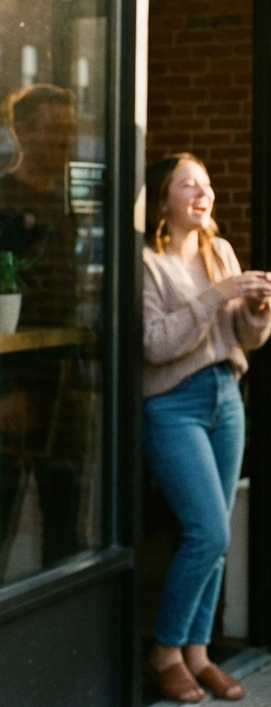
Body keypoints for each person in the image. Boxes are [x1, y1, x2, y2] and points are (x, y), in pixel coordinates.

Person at [143, 153, 271, 703]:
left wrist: (257, 309)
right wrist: (218, 295)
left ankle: (198, 654)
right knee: (209, 532)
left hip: (227, 397)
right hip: (173, 404)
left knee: (217, 536)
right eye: (188, 184)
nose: (203, 192)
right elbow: (155, 344)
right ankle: (165, 650)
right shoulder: (146, 262)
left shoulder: (218, 250)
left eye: (207, 182)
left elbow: (246, 338)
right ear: (163, 197)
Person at [0, 85, 90, 577]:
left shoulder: (62, 202)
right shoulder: (2, 197)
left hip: (63, 378)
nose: (64, 146)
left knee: (65, 510)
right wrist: (5, 387)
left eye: (69, 136)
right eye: (54, 134)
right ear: (22, 133)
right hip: (16, 376)